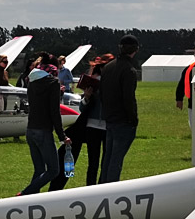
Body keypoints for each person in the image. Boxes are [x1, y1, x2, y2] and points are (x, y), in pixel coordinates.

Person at [50, 63, 107, 190]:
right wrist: (87, 97)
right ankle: (91, 188)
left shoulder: (111, 84)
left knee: (103, 161)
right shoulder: (95, 84)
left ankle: (100, 187)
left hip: (106, 126)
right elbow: (83, 107)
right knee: (94, 161)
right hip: (92, 126)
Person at [18, 67, 71, 195]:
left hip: (30, 130)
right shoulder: (53, 84)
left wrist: (58, 94)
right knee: (53, 170)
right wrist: (62, 136)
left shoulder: (32, 82)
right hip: (43, 132)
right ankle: (25, 194)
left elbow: (40, 103)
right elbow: (54, 112)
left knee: (40, 170)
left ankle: (29, 200)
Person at [99, 35, 140, 183]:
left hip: (110, 119)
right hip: (123, 121)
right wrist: (133, 119)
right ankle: (110, 191)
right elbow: (128, 98)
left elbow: (102, 94)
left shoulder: (108, 67)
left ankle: (102, 186)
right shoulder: (129, 70)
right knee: (116, 161)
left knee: (108, 159)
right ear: (135, 50)